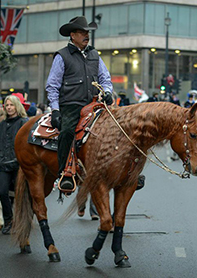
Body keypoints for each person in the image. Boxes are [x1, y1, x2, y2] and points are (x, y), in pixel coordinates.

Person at [46, 16, 113, 191]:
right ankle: (63, 173)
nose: (86, 35)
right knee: (67, 131)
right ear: (73, 35)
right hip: (71, 105)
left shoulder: (94, 54)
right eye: (82, 32)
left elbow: (105, 78)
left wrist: (107, 92)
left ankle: (123, 169)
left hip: (94, 103)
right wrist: (55, 110)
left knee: (117, 127)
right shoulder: (62, 56)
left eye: (87, 32)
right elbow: (52, 85)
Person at [0, 95, 28, 234]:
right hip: (3, 163)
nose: (9, 107)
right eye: (7, 105)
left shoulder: (24, 122)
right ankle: (8, 220)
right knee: (3, 192)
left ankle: (22, 221)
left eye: (11, 105)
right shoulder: (3, 124)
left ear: (17, 106)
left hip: (19, 164)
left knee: (21, 195)